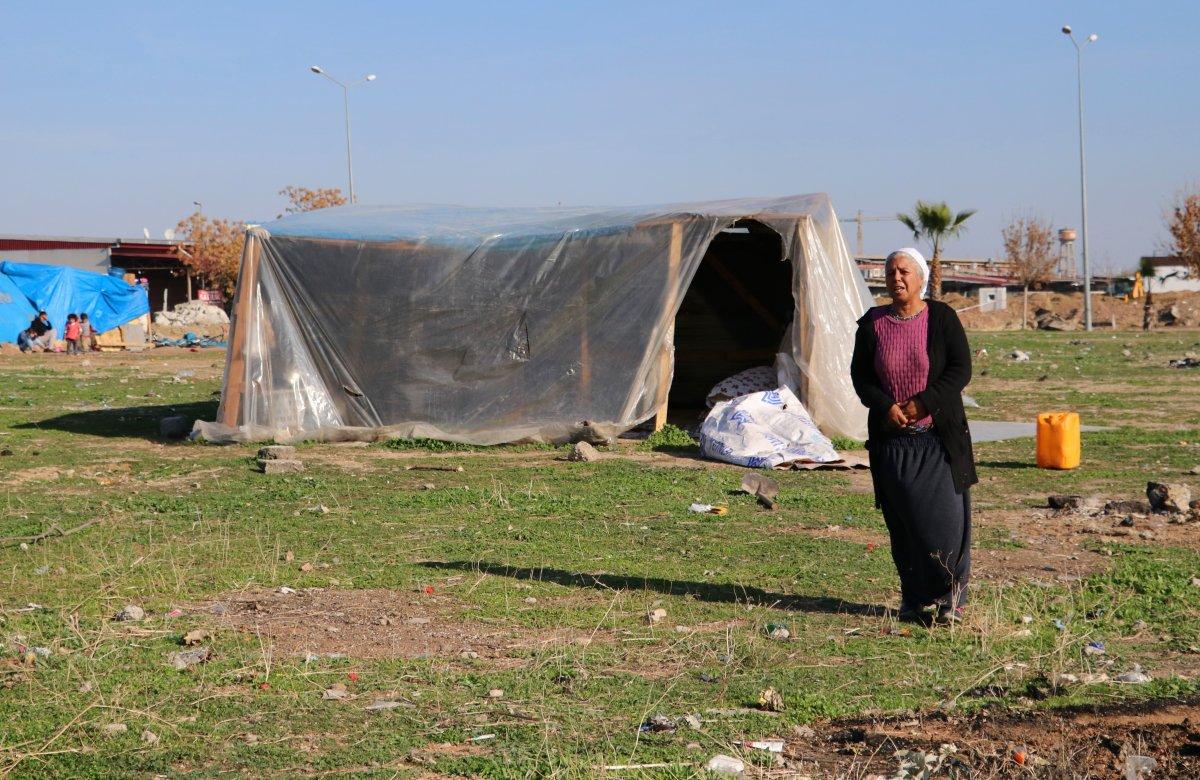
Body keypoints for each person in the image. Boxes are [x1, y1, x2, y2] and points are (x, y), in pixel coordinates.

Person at [850, 248, 976, 624]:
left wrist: (924, 403)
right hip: (893, 444)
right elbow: (861, 378)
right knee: (904, 524)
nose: (897, 278)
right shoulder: (872, 324)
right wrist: (885, 406)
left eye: (904, 271)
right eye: (891, 272)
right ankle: (914, 597)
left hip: (938, 440)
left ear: (921, 278)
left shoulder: (942, 318)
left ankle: (952, 597)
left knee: (946, 523)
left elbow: (960, 370)